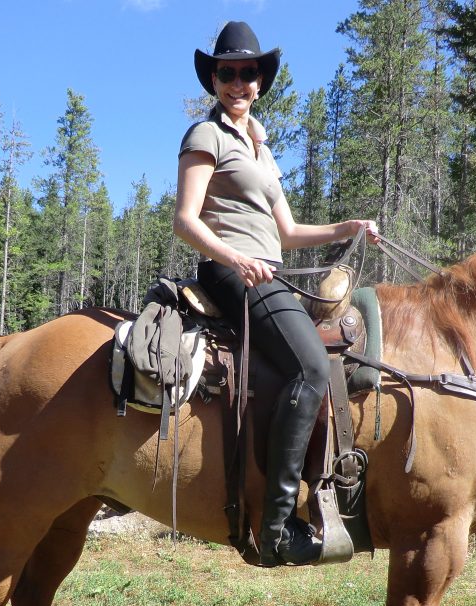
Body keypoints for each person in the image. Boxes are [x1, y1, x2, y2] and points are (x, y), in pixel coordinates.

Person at [174, 20, 379, 568]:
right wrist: (234, 257)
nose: (238, 82)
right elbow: (185, 221)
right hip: (231, 272)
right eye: (227, 73)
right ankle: (279, 525)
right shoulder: (205, 136)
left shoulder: (262, 150)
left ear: (260, 81)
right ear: (213, 80)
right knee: (310, 369)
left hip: (267, 269)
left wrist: (345, 228)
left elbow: (287, 234)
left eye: (248, 73)